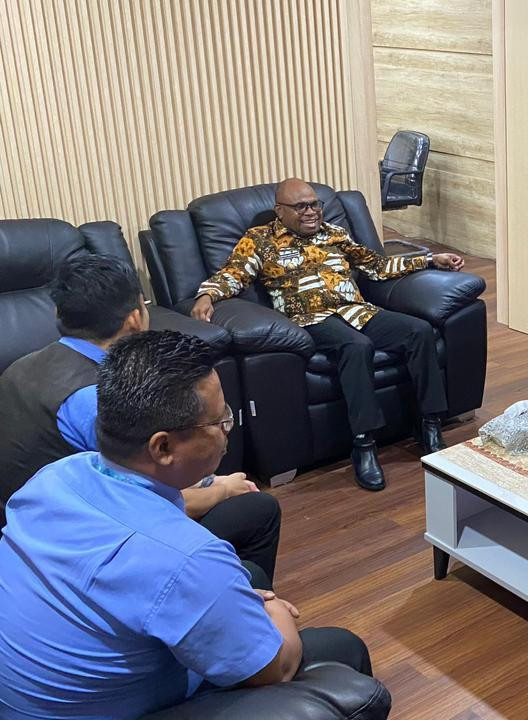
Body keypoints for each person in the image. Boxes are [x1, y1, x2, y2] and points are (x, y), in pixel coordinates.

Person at [0, 331, 375, 718]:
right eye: (220, 420)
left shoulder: (57, 476)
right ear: (162, 447)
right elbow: (275, 670)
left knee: (249, 566)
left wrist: (227, 597)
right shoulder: (188, 559)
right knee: (340, 647)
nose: (227, 429)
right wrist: (273, 610)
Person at [0, 255, 280, 584]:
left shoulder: (22, 366)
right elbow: (140, 507)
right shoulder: (97, 399)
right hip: (82, 552)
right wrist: (223, 491)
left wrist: (212, 483)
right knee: (258, 509)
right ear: (135, 318)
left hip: (22, 535)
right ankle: (235, 595)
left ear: (58, 313)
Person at [190, 178, 465, 491]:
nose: (311, 212)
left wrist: (429, 260)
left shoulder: (334, 233)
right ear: (279, 210)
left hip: (356, 310)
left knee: (419, 331)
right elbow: (233, 274)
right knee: (356, 346)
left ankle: (429, 424)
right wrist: (207, 295)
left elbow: (376, 265)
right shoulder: (260, 240)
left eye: (315, 204)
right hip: (310, 318)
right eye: (300, 207)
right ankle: (364, 444)